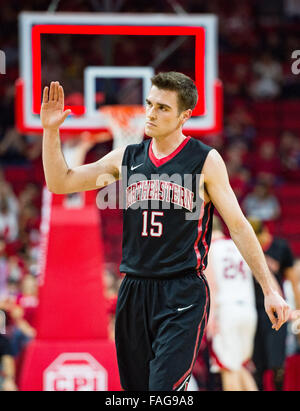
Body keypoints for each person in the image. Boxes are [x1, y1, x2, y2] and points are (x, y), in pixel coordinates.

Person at [41, 73, 291, 391]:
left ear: (185, 116)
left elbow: (239, 226)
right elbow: (60, 182)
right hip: (133, 289)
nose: (150, 113)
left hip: (182, 291)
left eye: (162, 108)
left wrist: (269, 289)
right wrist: (51, 132)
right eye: (149, 104)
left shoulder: (204, 161)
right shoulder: (127, 157)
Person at [205, 216, 258, 391]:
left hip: (226, 312)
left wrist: (210, 318)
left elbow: (211, 287)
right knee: (240, 366)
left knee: (228, 369)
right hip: (248, 311)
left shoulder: (209, 249)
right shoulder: (238, 246)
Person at [249, 219, 300, 391]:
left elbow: (293, 281)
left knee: (277, 363)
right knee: (257, 365)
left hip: (276, 311)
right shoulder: (246, 248)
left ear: (264, 233)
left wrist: (298, 309)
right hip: (253, 310)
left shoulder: (280, 247)